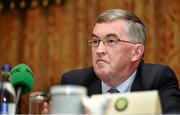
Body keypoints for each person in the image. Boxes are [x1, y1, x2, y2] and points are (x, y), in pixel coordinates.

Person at [42, 8, 180, 114]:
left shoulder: (158, 80)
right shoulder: (75, 83)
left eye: (111, 41)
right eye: (95, 41)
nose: (99, 50)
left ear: (136, 52)